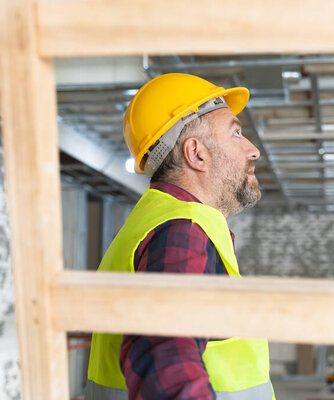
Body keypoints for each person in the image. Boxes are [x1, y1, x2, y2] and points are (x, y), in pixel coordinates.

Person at [85, 73, 273, 400]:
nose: (253, 150)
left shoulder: (153, 221)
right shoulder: (182, 228)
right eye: (237, 133)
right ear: (196, 153)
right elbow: (165, 352)